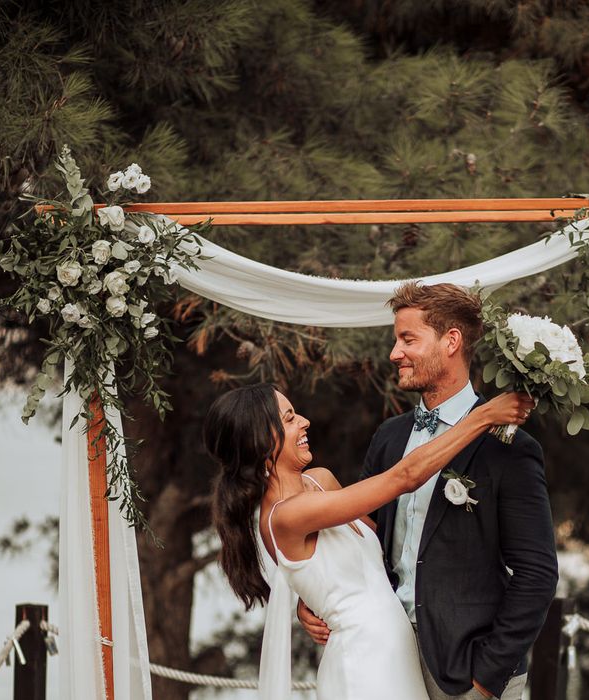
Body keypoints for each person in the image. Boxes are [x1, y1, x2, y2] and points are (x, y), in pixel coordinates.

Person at [299, 281, 559, 700]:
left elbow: (537, 573)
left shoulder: (509, 446)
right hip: (384, 655)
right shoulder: (388, 436)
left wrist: (488, 677)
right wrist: (312, 601)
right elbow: (363, 541)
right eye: (395, 340)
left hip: (466, 670)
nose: (394, 353)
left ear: (451, 341)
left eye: (408, 339)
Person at [205, 381, 533, 700]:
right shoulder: (285, 516)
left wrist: (312, 597)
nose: (305, 421)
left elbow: (378, 546)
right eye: (289, 418)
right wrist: (484, 416)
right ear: (260, 440)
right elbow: (403, 477)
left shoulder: (319, 481)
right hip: (361, 667)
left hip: (398, 660)